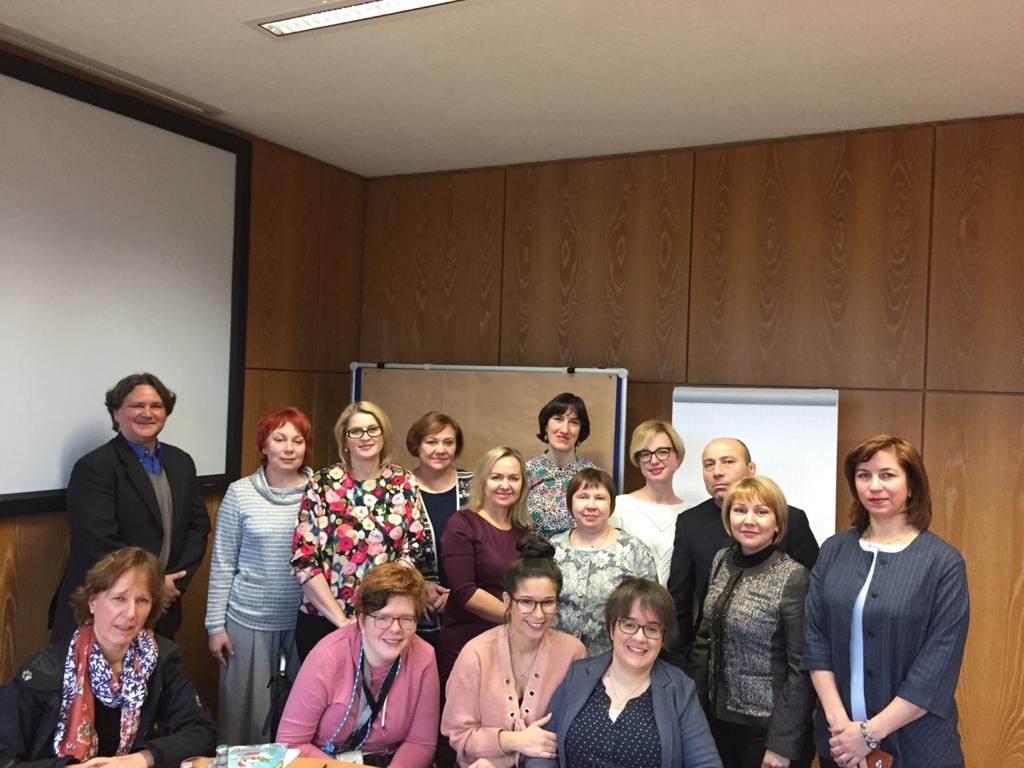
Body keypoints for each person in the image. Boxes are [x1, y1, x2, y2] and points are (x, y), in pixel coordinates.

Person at [802, 435, 969, 768]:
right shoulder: (834, 550)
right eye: (863, 475)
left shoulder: (942, 562)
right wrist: (841, 728)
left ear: (911, 484)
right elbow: (815, 639)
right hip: (840, 746)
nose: (874, 486)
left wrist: (868, 735)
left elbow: (936, 667)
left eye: (887, 475)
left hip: (919, 748)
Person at [1, 547, 216, 768]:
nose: (131, 613)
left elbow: (201, 732)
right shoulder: (44, 670)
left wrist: (138, 760)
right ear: (92, 601)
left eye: (142, 600)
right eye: (119, 598)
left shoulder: (160, 659)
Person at [51, 372, 210, 640]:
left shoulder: (181, 462)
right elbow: (97, 542)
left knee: (157, 668)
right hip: (107, 609)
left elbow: (198, 525)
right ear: (116, 413)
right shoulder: (95, 467)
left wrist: (177, 583)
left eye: (156, 406)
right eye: (137, 405)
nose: (147, 413)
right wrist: (153, 585)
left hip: (164, 607)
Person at [290, 401, 441, 661]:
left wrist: (381, 610)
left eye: (373, 429)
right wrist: (343, 621)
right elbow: (304, 559)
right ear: (344, 440)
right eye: (356, 431)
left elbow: (414, 546)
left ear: (383, 435)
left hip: (387, 622)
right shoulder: (321, 484)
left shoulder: (403, 482)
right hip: (325, 620)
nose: (366, 437)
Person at [523, 578, 722, 768]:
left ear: (663, 639)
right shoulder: (578, 674)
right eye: (629, 625)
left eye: (652, 629)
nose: (639, 637)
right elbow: (542, 750)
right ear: (611, 629)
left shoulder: (680, 690)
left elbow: (706, 762)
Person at [204, 407, 313, 744]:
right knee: (244, 719)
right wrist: (215, 626)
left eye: (297, 440)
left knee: (301, 715)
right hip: (248, 622)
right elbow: (223, 562)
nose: (289, 448)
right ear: (264, 445)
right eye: (279, 439)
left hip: (306, 620)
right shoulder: (240, 493)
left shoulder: (320, 492)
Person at [690, 476, 813, 768]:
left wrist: (782, 744)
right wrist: (694, 711)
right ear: (728, 517)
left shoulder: (793, 576)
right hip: (716, 720)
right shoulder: (722, 560)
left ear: (778, 523)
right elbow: (704, 639)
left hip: (766, 728)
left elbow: (801, 667)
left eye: (761, 511)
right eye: (740, 510)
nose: (749, 520)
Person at [667, 437, 819, 659]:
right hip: (709, 657)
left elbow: (814, 596)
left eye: (728, 462)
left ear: (751, 468)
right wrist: (682, 660)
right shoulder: (690, 522)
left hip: (774, 658)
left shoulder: (790, 519)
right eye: (709, 464)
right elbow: (680, 598)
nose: (717, 472)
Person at [442, 536, 586, 767]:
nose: (538, 614)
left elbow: (574, 733)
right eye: (527, 602)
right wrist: (515, 741)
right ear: (507, 600)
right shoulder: (476, 654)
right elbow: (459, 735)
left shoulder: (573, 652)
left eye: (547, 603)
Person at [277, 562, 439, 768]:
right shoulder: (327, 657)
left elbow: (420, 743)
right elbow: (291, 744)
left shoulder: (424, 657)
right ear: (361, 620)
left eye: (406, 619)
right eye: (383, 618)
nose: (396, 629)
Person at [437, 446, 529, 684]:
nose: (505, 485)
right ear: (482, 480)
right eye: (496, 477)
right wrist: (520, 619)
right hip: (466, 643)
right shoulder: (462, 524)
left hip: (511, 645)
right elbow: (465, 592)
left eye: (513, 478)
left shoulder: (524, 532)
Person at [551, 468, 657, 654]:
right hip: (557, 657)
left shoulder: (634, 551)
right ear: (570, 502)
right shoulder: (553, 548)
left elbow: (651, 611)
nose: (591, 505)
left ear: (611, 505)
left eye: (600, 498)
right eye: (583, 497)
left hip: (614, 660)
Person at [406, 411, 472, 641]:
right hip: (415, 607)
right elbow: (389, 548)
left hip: (468, 607)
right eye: (431, 442)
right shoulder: (400, 487)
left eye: (448, 442)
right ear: (417, 445)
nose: (440, 450)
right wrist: (418, 585)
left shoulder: (475, 486)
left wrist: (461, 591)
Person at [610, 420, 687, 585]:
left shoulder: (692, 513)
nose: (653, 460)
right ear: (638, 460)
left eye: (663, 452)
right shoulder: (619, 507)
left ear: (677, 457)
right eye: (645, 453)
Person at [526, 393, 597, 538]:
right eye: (558, 419)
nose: (565, 430)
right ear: (546, 426)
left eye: (574, 422)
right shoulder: (524, 473)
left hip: (580, 551)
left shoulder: (594, 476)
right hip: (532, 551)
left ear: (580, 430)